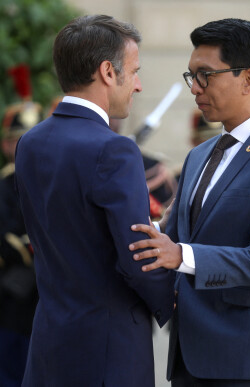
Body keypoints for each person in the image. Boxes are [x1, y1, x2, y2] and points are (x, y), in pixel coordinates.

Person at [129, 18, 250, 386]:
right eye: (191, 76)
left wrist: (180, 255)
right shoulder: (199, 155)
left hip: (249, 363)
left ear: (249, 79)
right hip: (190, 358)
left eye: (206, 75)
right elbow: (172, 236)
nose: (194, 88)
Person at [14, 15, 175, 387]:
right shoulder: (115, 149)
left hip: (49, 345)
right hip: (107, 351)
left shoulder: (30, 142)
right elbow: (137, 257)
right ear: (107, 71)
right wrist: (178, 302)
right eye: (133, 71)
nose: (137, 85)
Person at [0, 64, 42, 387]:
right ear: (6, 145)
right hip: (12, 303)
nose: (25, 145)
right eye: (18, 140)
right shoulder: (5, 185)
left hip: (47, 302)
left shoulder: (52, 180)